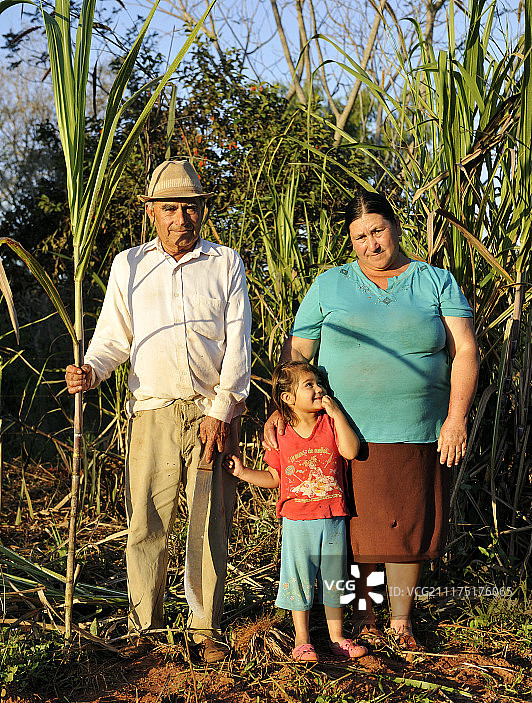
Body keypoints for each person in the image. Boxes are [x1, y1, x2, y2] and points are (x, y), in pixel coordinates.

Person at [264, 187, 479, 650]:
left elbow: (464, 350)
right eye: (359, 237)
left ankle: (400, 621)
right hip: (342, 435)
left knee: (408, 527)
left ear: (395, 227)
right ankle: (364, 619)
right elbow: (298, 353)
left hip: (418, 430)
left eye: (377, 231)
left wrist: (455, 418)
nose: (370, 245)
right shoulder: (330, 285)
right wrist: (283, 408)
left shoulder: (434, 281)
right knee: (353, 534)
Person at [65, 160, 251, 662]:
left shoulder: (225, 262)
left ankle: (204, 627)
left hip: (212, 413)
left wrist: (221, 407)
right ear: (151, 213)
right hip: (152, 411)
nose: (181, 219)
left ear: (202, 212)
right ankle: (145, 626)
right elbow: (112, 338)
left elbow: (238, 344)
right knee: (147, 521)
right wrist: (91, 369)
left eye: (190, 208)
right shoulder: (129, 265)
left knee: (209, 521)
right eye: (169, 208)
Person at [224, 361, 367, 662]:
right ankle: (303, 640)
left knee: (333, 579)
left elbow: (351, 451)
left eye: (319, 383)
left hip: (332, 516)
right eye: (309, 385)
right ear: (288, 399)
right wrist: (243, 472)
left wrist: (336, 412)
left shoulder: (329, 423)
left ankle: (337, 637)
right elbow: (275, 478)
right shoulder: (281, 434)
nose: (318, 389)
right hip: (297, 521)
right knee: (299, 578)